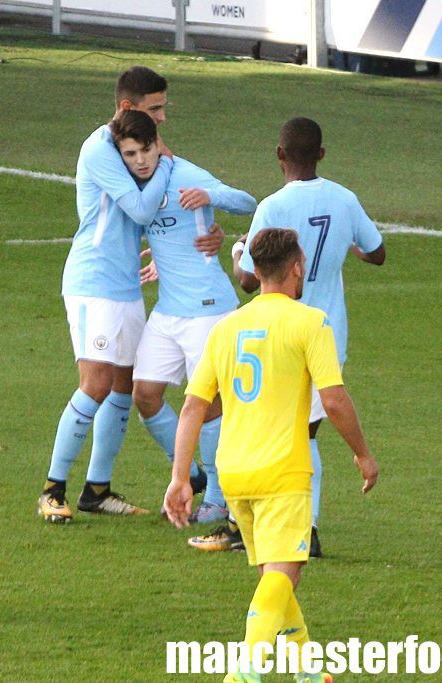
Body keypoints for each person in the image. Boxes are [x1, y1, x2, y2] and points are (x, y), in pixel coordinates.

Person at [164, 228, 377, 683]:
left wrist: (180, 476)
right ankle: (245, 671)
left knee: (274, 580)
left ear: (255, 272)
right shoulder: (310, 323)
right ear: (297, 266)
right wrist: (363, 454)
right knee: (285, 573)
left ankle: (306, 672)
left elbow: (194, 406)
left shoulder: (226, 328)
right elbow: (334, 400)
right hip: (283, 473)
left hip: (235, 474)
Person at [191, 116, 384, 556]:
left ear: (279, 155)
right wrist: (348, 246)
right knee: (303, 435)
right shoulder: (344, 199)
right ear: (321, 154)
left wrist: (239, 250)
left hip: (279, 334)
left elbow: (248, 281)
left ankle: (274, 527)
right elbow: (377, 253)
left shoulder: (272, 207)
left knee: (274, 434)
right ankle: (299, 528)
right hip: (328, 333)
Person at [38, 67, 222, 523]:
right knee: (97, 382)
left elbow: (166, 209)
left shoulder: (144, 151)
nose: (161, 119)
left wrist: (208, 232)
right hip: (93, 280)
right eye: (154, 109)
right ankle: (51, 488)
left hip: (125, 284)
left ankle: (97, 488)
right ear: (126, 108)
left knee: (127, 386)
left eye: (163, 109)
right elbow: (141, 205)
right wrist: (166, 162)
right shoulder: (101, 148)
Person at [109, 110, 257, 524]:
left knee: (208, 404)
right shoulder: (133, 188)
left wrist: (212, 199)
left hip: (208, 310)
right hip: (168, 310)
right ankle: (190, 476)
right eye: (131, 154)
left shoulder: (187, 175)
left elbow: (249, 204)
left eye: (146, 151)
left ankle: (219, 496)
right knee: (145, 393)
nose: (140, 161)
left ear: (159, 146)